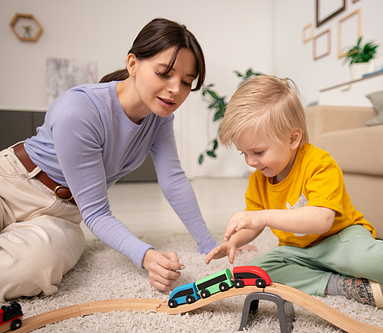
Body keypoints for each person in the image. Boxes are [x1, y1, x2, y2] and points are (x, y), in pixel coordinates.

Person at [205, 74, 383, 325]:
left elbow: (321, 220)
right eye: (244, 154)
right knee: (258, 271)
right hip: (298, 250)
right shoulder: (259, 179)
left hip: (340, 238)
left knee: (365, 257)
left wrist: (263, 216)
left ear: (293, 139)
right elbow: (253, 223)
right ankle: (341, 284)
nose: (251, 162)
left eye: (258, 152)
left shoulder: (319, 163)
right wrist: (235, 241)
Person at [0, 18, 220, 302]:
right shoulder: (78, 111)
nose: (176, 90)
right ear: (132, 64)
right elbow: (99, 212)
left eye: (187, 82)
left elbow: (173, 180)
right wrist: (147, 256)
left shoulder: (160, 119)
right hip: (13, 183)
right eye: (164, 73)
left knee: (26, 270)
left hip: (65, 215)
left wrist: (209, 244)